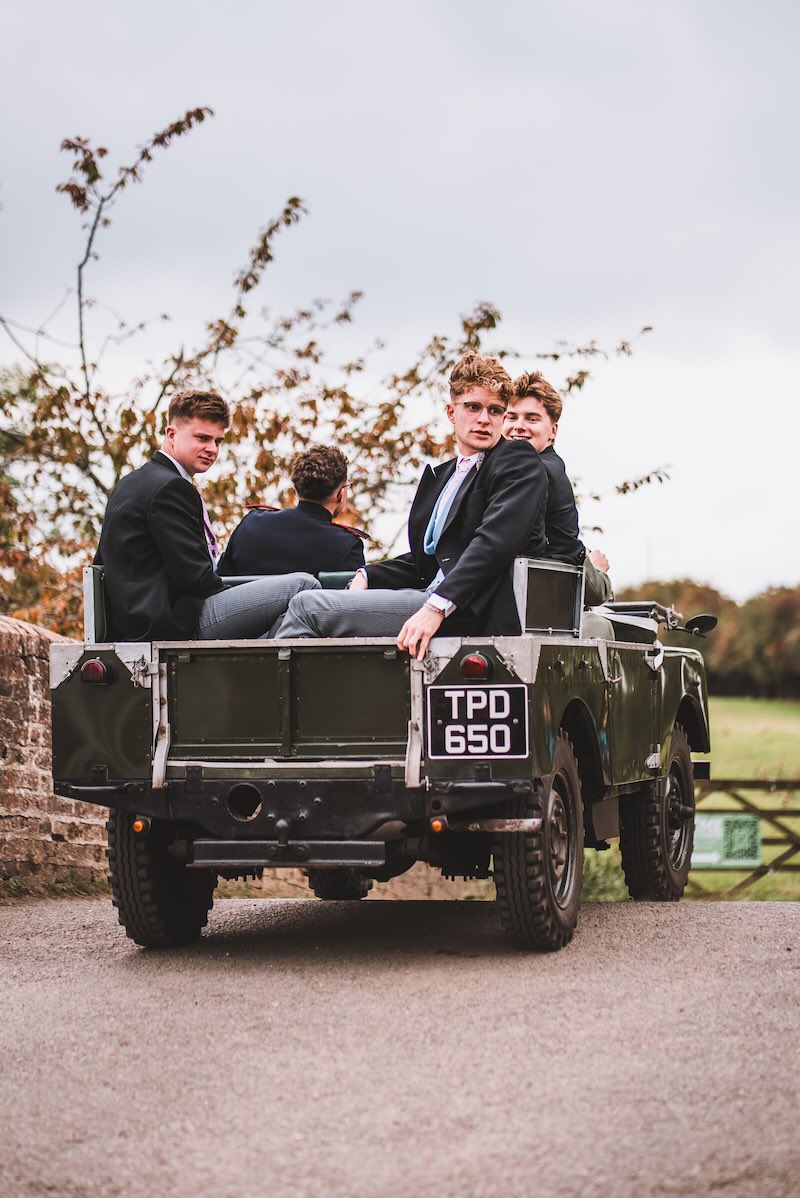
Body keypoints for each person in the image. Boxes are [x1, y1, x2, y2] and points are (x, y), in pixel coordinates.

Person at [274, 351, 548, 658]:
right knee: (290, 609)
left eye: (495, 411)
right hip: (429, 597)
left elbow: (494, 542)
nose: (484, 419)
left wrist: (436, 607)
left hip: (470, 609)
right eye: (473, 407)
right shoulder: (443, 475)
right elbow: (429, 559)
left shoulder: (517, 461)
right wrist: (368, 575)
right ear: (450, 412)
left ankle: (272, 705)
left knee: (306, 608)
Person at [94, 388, 319, 641]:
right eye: (202, 438)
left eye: (218, 441)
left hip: (137, 622)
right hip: (171, 623)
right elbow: (196, 578)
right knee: (304, 586)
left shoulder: (131, 482)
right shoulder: (171, 487)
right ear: (171, 434)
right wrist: (239, 595)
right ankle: (266, 670)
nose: (212, 449)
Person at [503, 372, 613, 607]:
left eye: (532, 419)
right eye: (511, 417)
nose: (518, 426)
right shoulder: (510, 465)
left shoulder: (541, 468)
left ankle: (599, 570)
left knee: (598, 580)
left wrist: (594, 568)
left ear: (553, 431)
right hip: (547, 570)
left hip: (570, 569)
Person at [217, 444, 366, 577]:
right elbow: (353, 603)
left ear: (297, 488)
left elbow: (221, 580)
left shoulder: (252, 523)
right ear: (340, 494)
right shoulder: (346, 544)